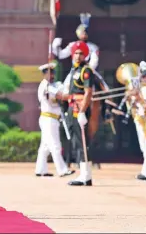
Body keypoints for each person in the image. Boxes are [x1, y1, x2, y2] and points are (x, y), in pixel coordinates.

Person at [52, 41, 96, 186]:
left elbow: (88, 92)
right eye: (76, 53)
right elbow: (70, 93)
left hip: (79, 108)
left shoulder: (86, 71)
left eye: (80, 53)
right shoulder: (73, 71)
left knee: (82, 142)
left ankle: (86, 176)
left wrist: (83, 111)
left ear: (85, 55)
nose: (77, 56)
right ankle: (83, 173)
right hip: (72, 108)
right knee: (77, 142)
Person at [35, 62, 75, 178]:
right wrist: (75, 96)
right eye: (49, 72)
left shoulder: (53, 85)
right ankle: (62, 170)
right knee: (55, 145)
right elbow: (61, 96)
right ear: (44, 74)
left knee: (45, 147)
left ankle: (40, 170)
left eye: (52, 72)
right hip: (48, 119)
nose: (52, 75)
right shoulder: (46, 86)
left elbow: (64, 90)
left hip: (51, 119)